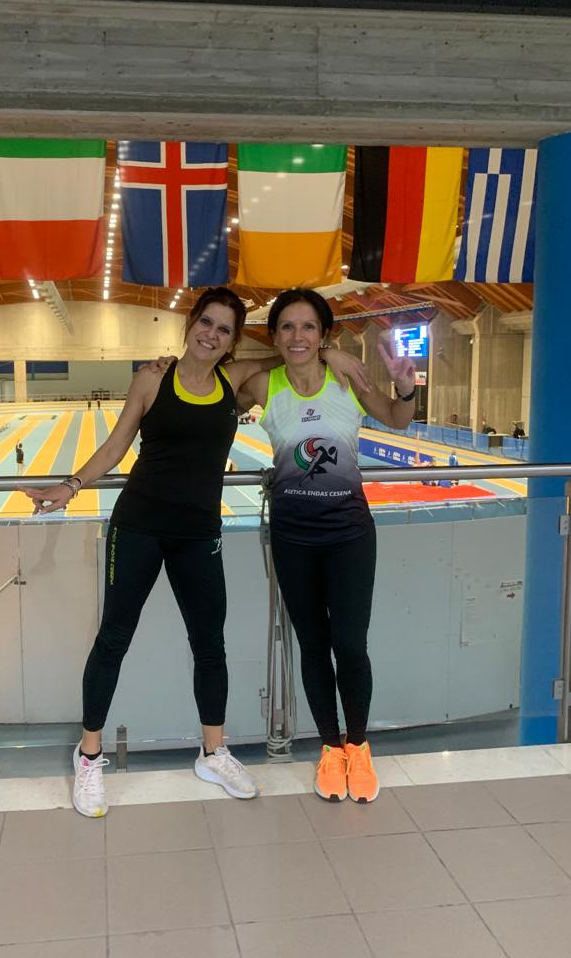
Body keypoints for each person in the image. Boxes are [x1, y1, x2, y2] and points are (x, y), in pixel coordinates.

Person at [21, 287, 371, 819]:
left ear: (232, 342)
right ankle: (88, 756)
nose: (212, 334)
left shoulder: (235, 380)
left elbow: (292, 352)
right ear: (190, 325)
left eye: (224, 329)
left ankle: (213, 752)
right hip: (139, 525)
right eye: (206, 322)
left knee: (210, 645)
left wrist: (332, 353)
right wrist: (70, 486)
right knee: (113, 639)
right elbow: (117, 445)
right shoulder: (152, 378)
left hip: (199, 531)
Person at [242, 288, 416, 805]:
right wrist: (294, 357)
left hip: (349, 536)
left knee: (350, 646)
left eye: (309, 328)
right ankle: (330, 748)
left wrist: (406, 387)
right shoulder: (264, 384)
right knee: (313, 648)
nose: (298, 336)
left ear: (324, 333)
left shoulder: (346, 380)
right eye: (287, 327)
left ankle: (358, 746)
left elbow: (397, 417)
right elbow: (217, 378)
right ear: (274, 336)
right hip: (293, 538)